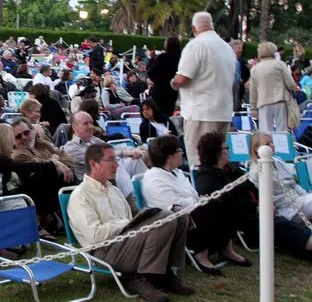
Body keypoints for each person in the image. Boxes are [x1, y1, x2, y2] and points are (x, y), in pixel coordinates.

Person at [67, 143, 194, 301]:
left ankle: (165, 273)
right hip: (104, 252)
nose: (117, 164)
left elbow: (129, 221)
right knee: (164, 217)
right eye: (111, 160)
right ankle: (141, 278)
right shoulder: (80, 196)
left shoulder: (114, 190)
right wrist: (127, 225)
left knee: (178, 214)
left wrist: (133, 223)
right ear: (94, 164)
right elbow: (95, 236)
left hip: (125, 242)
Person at [142, 135, 250, 275]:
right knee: (211, 208)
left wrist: (197, 200)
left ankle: (226, 249)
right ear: (169, 157)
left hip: (191, 209)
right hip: (173, 219)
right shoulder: (154, 178)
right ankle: (201, 255)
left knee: (227, 203)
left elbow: (192, 194)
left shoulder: (177, 173)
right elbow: (171, 204)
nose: (182, 153)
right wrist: (198, 201)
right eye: (179, 150)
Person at [196, 131, 312, 261]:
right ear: (216, 152)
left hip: (259, 212)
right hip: (247, 221)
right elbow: (233, 204)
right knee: (282, 226)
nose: (228, 150)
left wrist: (262, 205)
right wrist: (259, 207)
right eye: (225, 148)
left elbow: (252, 189)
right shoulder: (208, 179)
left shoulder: (231, 169)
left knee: (285, 226)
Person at [0, 124, 73, 239]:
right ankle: (42, 221)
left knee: (40, 178)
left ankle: (48, 218)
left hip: (2, 194)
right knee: (39, 180)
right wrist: (53, 162)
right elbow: (23, 166)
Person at [171, 12, 235, 167]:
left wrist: (173, 83)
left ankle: (202, 191)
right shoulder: (226, 47)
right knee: (219, 160)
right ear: (211, 25)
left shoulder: (196, 45)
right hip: (224, 111)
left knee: (199, 160)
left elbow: (182, 78)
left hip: (201, 111)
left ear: (194, 28)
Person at [62, 112, 136, 199]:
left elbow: (112, 149)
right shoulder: (71, 147)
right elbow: (100, 158)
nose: (90, 126)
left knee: (135, 159)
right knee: (114, 162)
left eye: (91, 123)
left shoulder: (95, 140)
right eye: (86, 123)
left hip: (106, 176)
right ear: (75, 127)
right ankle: (132, 199)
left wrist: (134, 151)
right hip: (90, 183)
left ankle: (143, 194)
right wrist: (124, 153)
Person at [249, 133, 312, 222]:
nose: (272, 145)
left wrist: (304, 196)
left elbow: (294, 184)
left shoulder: (278, 162)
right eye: (267, 144)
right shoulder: (255, 172)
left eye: (272, 142)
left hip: (299, 201)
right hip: (287, 209)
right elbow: (270, 198)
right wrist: (297, 200)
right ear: (256, 149)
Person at [249, 42, 297, 133]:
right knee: (282, 131)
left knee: (266, 132)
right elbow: (290, 83)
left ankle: (266, 146)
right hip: (280, 101)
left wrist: (253, 108)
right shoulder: (280, 64)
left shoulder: (255, 68)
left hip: (263, 103)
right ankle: (281, 146)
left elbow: (253, 90)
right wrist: (292, 90)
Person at [11, 116, 76, 178]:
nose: (24, 137)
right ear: (13, 140)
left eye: (26, 132)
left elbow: (69, 159)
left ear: (33, 131)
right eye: (18, 136)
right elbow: (45, 172)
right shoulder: (17, 155)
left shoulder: (41, 142)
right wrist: (56, 161)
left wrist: (66, 168)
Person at [148, 36, 182, 117]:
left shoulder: (163, 57)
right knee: (168, 115)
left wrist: (151, 59)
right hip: (173, 89)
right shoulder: (181, 57)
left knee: (157, 115)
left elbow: (150, 72)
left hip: (160, 89)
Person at [230, 40, 250, 111]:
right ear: (232, 48)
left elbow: (247, 73)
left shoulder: (242, 61)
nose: (241, 50)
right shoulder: (230, 60)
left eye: (241, 48)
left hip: (239, 89)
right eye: (239, 48)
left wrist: (243, 79)